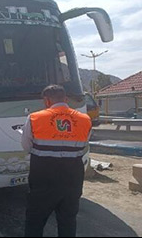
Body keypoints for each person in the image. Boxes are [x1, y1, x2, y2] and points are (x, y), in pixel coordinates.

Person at [21, 85, 92, 237]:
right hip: (73, 178)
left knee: (35, 221)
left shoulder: (34, 118)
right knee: (68, 221)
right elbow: (83, 145)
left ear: (47, 101)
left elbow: (26, 146)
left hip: (43, 177)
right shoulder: (85, 119)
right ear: (66, 99)